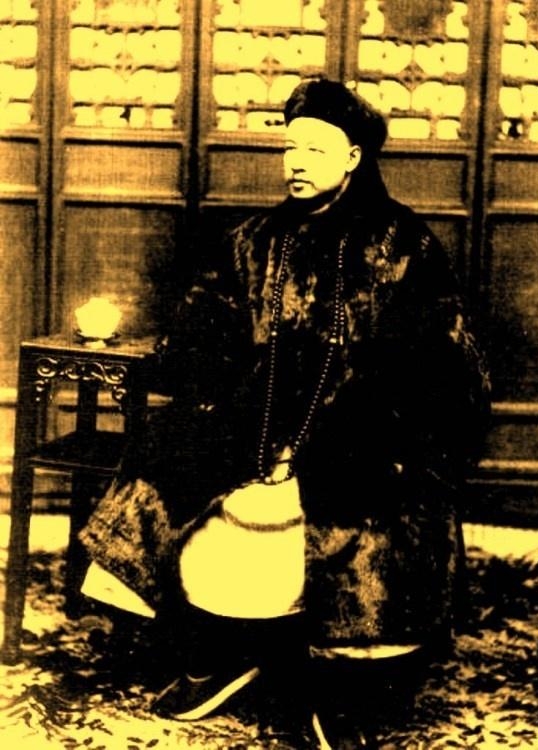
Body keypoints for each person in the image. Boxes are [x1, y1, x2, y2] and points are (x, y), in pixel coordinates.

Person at [79, 78, 491, 748]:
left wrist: (339, 432)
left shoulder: (403, 244)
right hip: (255, 425)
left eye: (315, 149)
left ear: (353, 157)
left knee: (367, 504)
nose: (295, 162)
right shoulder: (252, 241)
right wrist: (242, 416)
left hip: (363, 432)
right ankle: (224, 652)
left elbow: (439, 365)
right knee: (173, 462)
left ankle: (340, 687)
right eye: (290, 148)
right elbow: (200, 339)